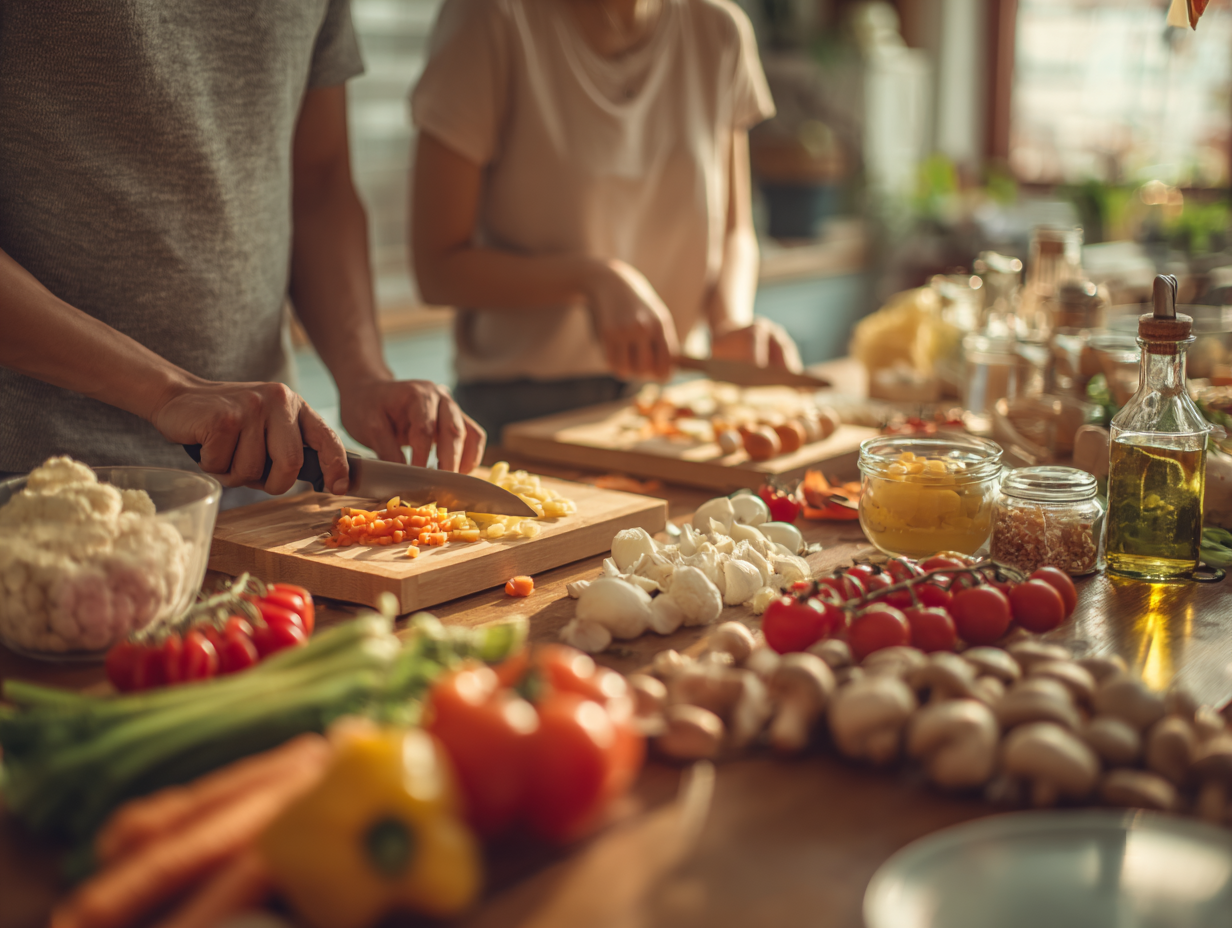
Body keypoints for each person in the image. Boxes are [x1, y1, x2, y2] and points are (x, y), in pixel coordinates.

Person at [0, 0, 485, 496]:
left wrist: (363, 374)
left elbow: (318, 185)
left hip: (266, 472)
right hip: (36, 478)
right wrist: (170, 393)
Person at [409, 0, 801, 439]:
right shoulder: (487, 19)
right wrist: (592, 279)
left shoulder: (720, 29)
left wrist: (730, 322)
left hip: (669, 400)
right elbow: (436, 268)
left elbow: (735, 229)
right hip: (520, 412)